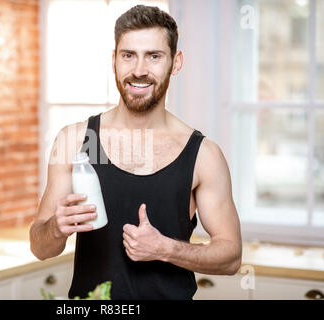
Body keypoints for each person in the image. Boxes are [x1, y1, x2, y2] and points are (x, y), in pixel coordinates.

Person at [30, 5, 242, 300]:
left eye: (154, 56)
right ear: (114, 61)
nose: (139, 70)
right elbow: (40, 248)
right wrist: (56, 228)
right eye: (128, 55)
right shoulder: (74, 141)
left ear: (175, 62)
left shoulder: (204, 155)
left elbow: (231, 258)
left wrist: (165, 249)